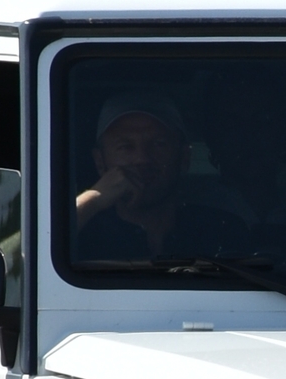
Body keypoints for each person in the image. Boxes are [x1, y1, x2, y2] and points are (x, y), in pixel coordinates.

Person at [73, 93, 246, 263]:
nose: (142, 159)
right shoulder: (81, 231)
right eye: (125, 147)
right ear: (100, 162)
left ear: (184, 157)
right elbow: (47, 238)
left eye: (158, 144)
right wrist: (95, 198)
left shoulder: (220, 229)